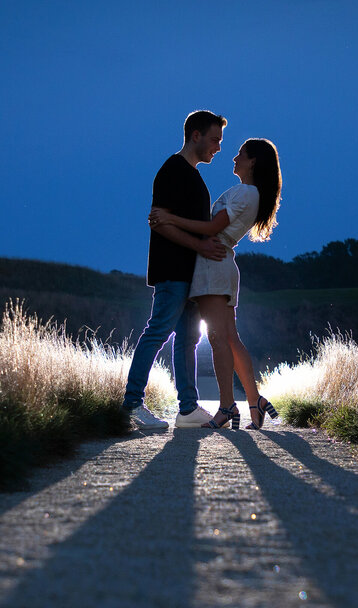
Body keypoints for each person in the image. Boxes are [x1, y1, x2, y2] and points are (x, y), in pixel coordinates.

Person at [149, 138, 282, 430]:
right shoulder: (248, 193)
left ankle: (226, 407)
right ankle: (254, 401)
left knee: (219, 340)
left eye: (240, 154)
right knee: (230, 339)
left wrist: (169, 217)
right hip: (221, 265)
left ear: (253, 162)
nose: (233, 157)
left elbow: (212, 228)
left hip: (213, 265)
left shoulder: (246, 193)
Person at [122, 110, 228, 431]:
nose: (218, 147)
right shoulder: (172, 170)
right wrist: (200, 246)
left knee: (187, 340)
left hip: (191, 274)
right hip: (173, 271)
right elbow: (159, 222)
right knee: (158, 332)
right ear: (195, 135)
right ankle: (130, 405)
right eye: (214, 140)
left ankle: (188, 409)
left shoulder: (193, 175)